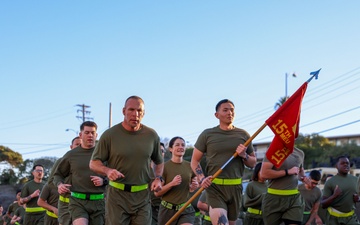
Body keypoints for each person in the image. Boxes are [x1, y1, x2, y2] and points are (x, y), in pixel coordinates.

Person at [89, 95, 164, 225]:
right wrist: (107, 171)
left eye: (139, 111)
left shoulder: (151, 135)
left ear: (144, 113)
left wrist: (158, 178)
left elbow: (159, 161)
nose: (135, 114)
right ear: (124, 111)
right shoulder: (110, 135)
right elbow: (93, 163)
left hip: (142, 197)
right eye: (131, 110)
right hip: (117, 197)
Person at [190, 99, 257, 225]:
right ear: (217, 115)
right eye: (225, 110)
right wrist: (201, 178)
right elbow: (194, 160)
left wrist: (244, 156)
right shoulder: (207, 134)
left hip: (236, 188)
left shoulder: (243, 134)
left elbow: (253, 163)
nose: (229, 113)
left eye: (232, 110)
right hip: (215, 188)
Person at [54, 121, 106, 225]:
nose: (90, 135)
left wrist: (103, 181)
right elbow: (58, 175)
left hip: (99, 202)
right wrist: (59, 185)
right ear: (80, 134)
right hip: (78, 201)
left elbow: (113, 174)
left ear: (96, 135)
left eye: (93, 133)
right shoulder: (71, 155)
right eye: (87, 132)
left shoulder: (104, 154)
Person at [154, 136, 199, 225]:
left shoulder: (190, 166)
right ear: (171, 149)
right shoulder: (164, 167)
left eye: (183, 145)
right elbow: (157, 193)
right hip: (167, 211)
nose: (180, 147)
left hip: (185, 209)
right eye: (177, 145)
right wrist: (172, 184)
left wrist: (194, 185)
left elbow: (193, 183)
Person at [260, 147, 305, 225]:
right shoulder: (272, 150)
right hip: (274, 198)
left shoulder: (300, 152)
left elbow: (300, 171)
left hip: (294, 198)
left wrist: (304, 178)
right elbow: (264, 174)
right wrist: (287, 172)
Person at [48, 137, 81, 225]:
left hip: (84, 204)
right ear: (71, 147)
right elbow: (51, 182)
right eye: (77, 144)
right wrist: (60, 185)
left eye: (81, 145)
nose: (79, 147)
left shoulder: (90, 160)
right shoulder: (61, 161)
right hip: (66, 206)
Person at [321, 156, 360, 225]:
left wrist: (358, 198)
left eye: (347, 163)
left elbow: (359, 197)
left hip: (350, 217)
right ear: (336, 166)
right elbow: (323, 204)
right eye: (342, 163)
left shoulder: (356, 180)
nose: (346, 165)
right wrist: (334, 196)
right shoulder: (330, 182)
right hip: (333, 218)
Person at [151, 142, 166, 225]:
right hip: (146, 207)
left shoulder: (168, 168)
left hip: (163, 208)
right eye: (158, 151)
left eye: (162, 151)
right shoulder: (144, 169)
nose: (160, 153)